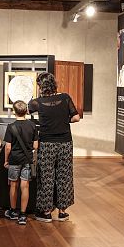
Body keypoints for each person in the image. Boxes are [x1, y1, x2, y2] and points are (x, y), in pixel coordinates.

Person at [28, 72, 80, 222]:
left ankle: (46, 212)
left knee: (46, 176)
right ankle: (62, 212)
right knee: (64, 175)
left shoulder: (37, 102)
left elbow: (26, 109)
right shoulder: (65, 97)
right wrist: (64, 119)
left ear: (41, 86)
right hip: (65, 143)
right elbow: (76, 117)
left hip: (47, 143)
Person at [3, 100, 39, 225]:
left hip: (14, 160)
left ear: (14, 112)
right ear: (26, 111)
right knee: (25, 186)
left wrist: (6, 160)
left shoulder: (11, 127)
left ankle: (13, 211)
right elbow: (35, 145)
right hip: (27, 160)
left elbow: (8, 147)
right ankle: (23, 214)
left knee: (13, 185)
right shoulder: (32, 126)